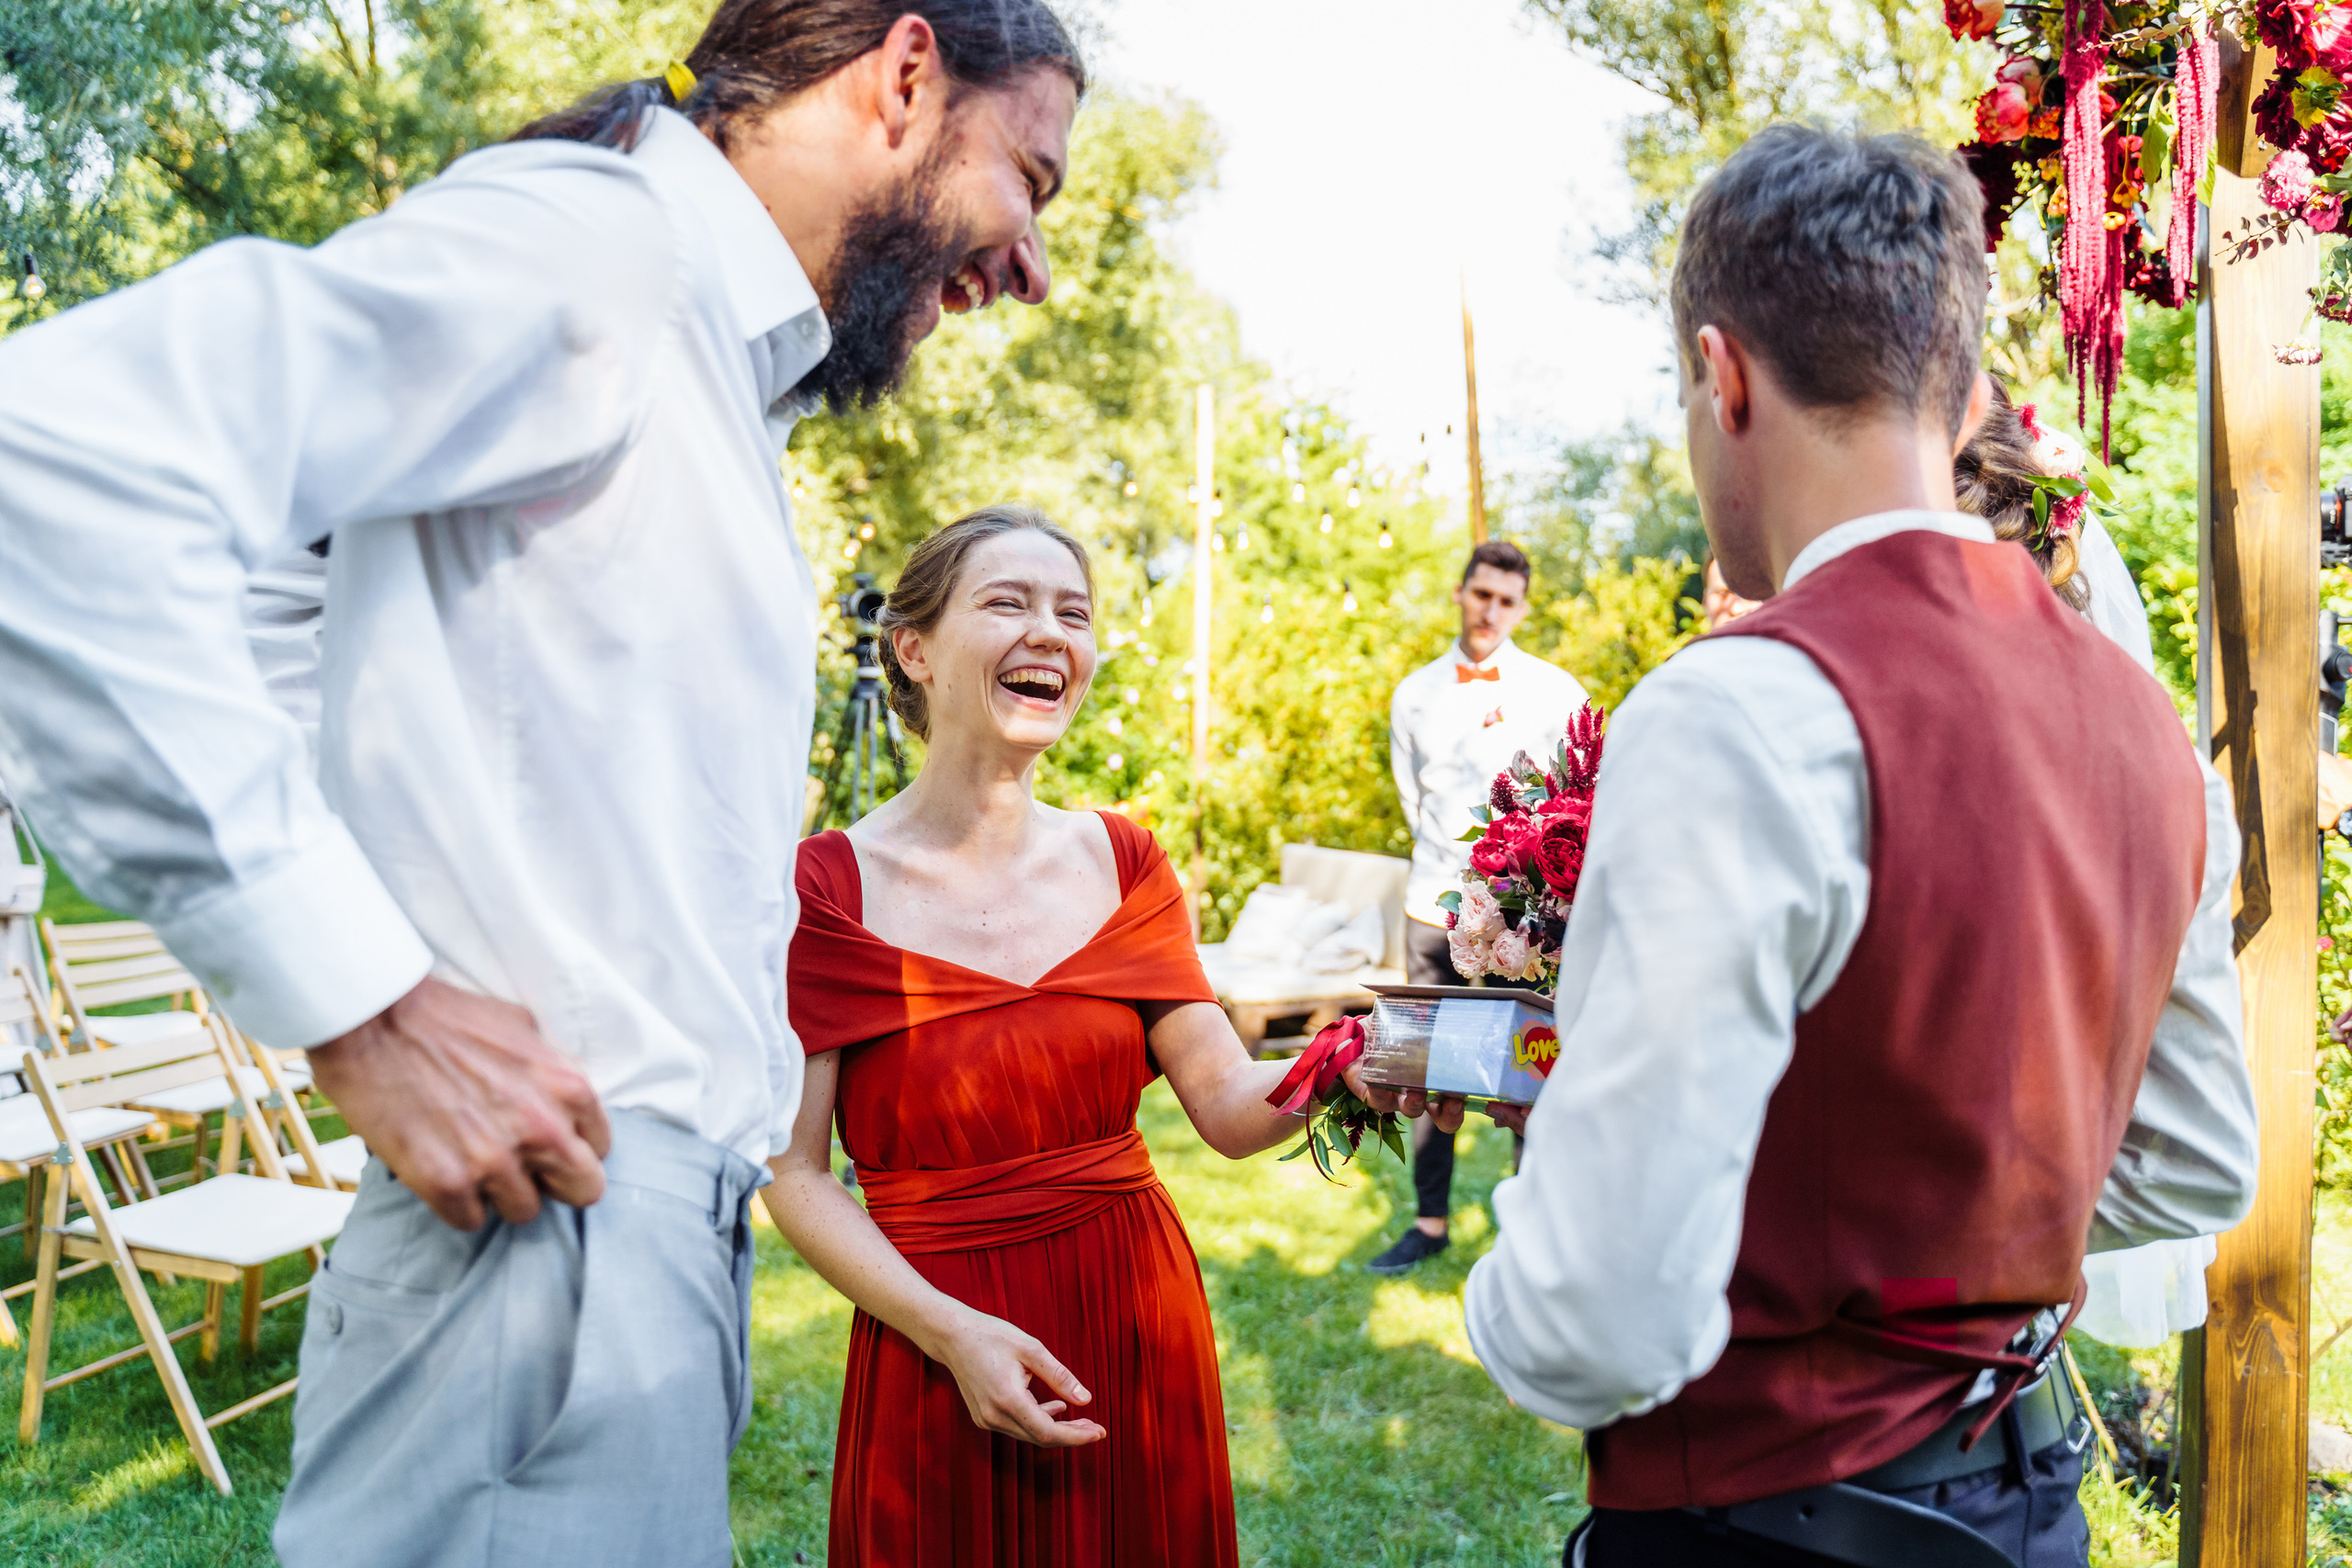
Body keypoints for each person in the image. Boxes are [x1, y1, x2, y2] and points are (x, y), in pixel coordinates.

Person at [0, 3, 1083, 1562]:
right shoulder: (605, 257)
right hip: (546, 1252)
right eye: (1029, 181)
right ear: (907, 76)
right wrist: (368, 1003)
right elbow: (52, 475)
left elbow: (288, 616)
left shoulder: (695, 342)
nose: (1030, 263)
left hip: (621, 1251)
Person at [1404, 126, 2257, 1567]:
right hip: (2026, 1516)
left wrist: (1530, 1222)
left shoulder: (1736, 708)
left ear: (1722, 378)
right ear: (1967, 390)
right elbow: (2191, 1160)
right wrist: (1941, 1231)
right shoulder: (2152, 734)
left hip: (1770, 1532)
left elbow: (1591, 1323)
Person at [771, 505, 1384, 1567]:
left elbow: (1230, 1114)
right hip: (936, 1338)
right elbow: (793, 1172)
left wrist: (1347, 1066)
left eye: (1074, 613)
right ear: (912, 649)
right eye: (1007, 603)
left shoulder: (1128, 862)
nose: (1051, 632)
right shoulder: (824, 888)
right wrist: (951, 1334)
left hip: (1134, 1323)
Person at [1373, 539, 1586, 1276]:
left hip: (1523, 920)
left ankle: (1532, 1232)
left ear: (1522, 607)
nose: (1490, 610)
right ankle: (1428, 1222)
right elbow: (1415, 798)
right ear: (1460, 593)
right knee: (1426, 1070)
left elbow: (1571, 798)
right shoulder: (1413, 693)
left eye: (1505, 600)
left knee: (1534, 1071)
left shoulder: (1558, 691)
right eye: (1480, 594)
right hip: (1432, 911)